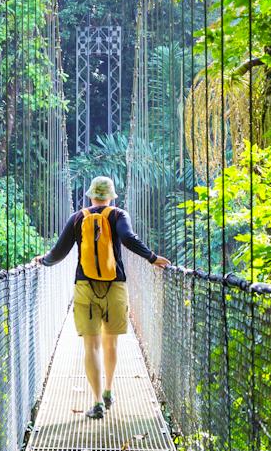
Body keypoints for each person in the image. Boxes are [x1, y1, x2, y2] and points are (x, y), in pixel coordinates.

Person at [34, 176, 169, 418]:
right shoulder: (118, 215)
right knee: (111, 343)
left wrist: (43, 261)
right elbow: (128, 239)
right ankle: (108, 391)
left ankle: (96, 402)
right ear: (111, 196)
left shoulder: (77, 218)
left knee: (91, 346)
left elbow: (59, 252)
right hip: (115, 286)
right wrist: (151, 257)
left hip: (85, 286)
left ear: (90, 196)